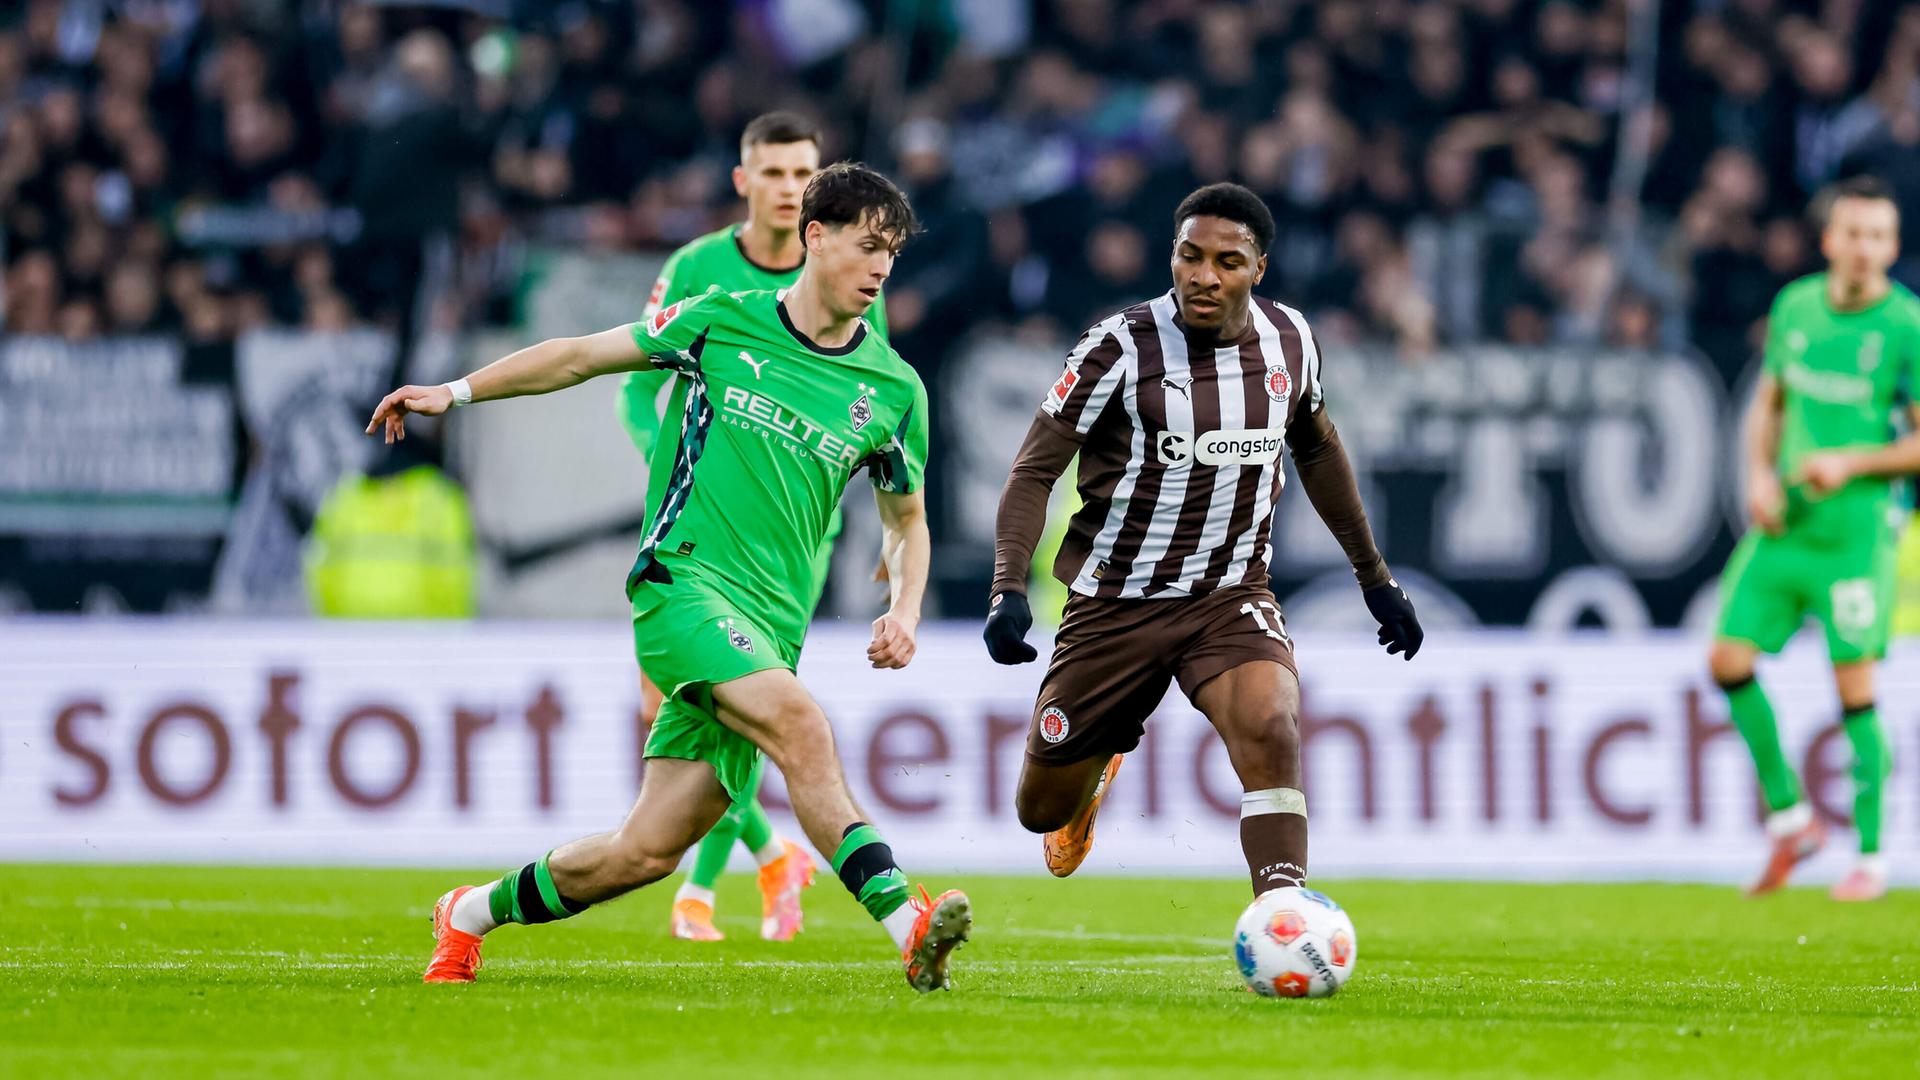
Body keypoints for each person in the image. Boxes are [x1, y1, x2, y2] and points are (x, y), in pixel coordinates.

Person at [369, 163, 970, 990]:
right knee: (801, 727)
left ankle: (468, 912)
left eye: (892, 255)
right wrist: (456, 391)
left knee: (643, 852)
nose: (880, 269)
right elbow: (581, 357)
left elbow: (908, 522)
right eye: (868, 246)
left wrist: (902, 607)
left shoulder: (893, 388)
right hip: (680, 588)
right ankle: (909, 924)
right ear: (815, 236)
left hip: (771, 628)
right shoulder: (720, 321)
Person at [981, 182, 1424, 894]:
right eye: (1189, 256)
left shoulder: (1292, 340)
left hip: (1228, 594)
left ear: (1259, 269)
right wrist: (1008, 588)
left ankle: (1284, 916)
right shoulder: (1117, 348)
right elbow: (1034, 470)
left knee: (1272, 729)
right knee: (1039, 810)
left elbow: (1317, 449)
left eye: (1226, 261)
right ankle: (1094, 773)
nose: (1203, 276)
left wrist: (1374, 577)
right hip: (1115, 603)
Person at [617, 111, 891, 943]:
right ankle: (768, 857)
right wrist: (660, 463)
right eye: (772, 172)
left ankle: (733, 871)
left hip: (792, 550)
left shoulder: (855, 280)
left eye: (802, 171)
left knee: (755, 713)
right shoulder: (699, 269)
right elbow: (636, 386)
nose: (786, 186)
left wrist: (891, 538)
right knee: (700, 711)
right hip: (697, 532)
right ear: (745, 182)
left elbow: (873, 412)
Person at [1708, 175, 1920, 903]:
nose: (1864, 249)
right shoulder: (1796, 306)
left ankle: (1870, 857)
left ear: (1892, 247)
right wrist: (1759, 477)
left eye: (1878, 236)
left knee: (1853, 690)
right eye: (1852, 233)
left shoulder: (1906, 326)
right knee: (1726, 658)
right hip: (1788, 523)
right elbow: (1770, 402)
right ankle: (1793, 819)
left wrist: (1853, 461)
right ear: (1830, 239)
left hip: (1856, 534)